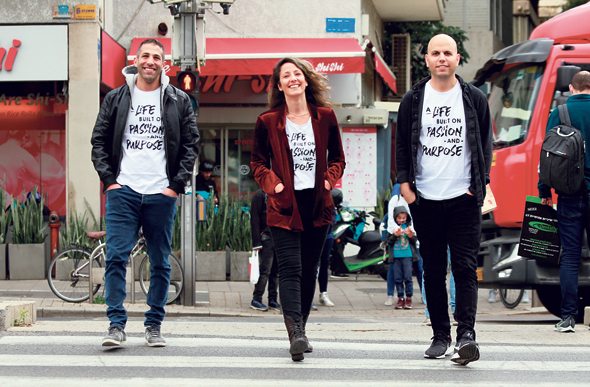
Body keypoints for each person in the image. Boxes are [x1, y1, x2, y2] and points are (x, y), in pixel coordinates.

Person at [91, 39, 200, 347]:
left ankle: (153, 325)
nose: (150, 61)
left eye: (156, 57)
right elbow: (98, 141)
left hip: (160, 194)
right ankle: (116, 325)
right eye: (145, 56)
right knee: (115, 258)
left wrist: (174, 187)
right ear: (135, 61)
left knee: (160, 262)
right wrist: (110, 181)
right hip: (123, 191)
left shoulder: (178, 100)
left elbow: (191, 143)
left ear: (163, 65)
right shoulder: (115, 97)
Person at [396, 34, 493, 365]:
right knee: (433, 270)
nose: (441, 58)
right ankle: (440, 336)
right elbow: (402, 147)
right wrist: (405, 186)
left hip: (464, 197)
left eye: (447, 53)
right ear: (426, 59)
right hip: (426, 199)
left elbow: (485, 145)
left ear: (457, 58)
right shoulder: (412, 99)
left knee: (465, 268)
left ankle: (467, 335)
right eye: (435, 53)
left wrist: (479, 186)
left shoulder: (475, 98)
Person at [251, 57, 345, 361]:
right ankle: (295, 334)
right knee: (291, 269)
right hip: (283, 205)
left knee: (309, 270)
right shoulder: (268, 121)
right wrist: (274, 185)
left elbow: (338, 159)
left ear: (305, 80)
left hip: (317, 204)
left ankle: (300, 331)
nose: (292, 78)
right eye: (286, 75)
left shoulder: (326, 117)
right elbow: (257, 162)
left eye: (297, 73)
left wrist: (330, 181)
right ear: (279, 85)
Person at [538, 70, 590, 333]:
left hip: (570, 194)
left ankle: (568, 317)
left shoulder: (561, 113)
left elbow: (547, 153)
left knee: (569, 257)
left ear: (572, 88)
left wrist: (544, 190)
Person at [249, 188, 280, 312]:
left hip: (277, 236)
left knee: (275, 271)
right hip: (266, 237)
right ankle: (257, 299)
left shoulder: (278, 193)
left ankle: (272, 299)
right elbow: (254, 219)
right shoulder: (260, 194)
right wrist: (256, 242)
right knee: (265, 270)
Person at [385, 206, 418, 309]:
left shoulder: (410, 228)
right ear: (395, 218)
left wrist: (410, 235)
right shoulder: (392, 228)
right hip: (396, 256)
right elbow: (388, 242)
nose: (402, 220)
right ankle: (400, 298)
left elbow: (415, 241)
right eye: (400, 218)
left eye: (404, 218)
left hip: (407, 256)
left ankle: (409, 297)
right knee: (398, 278)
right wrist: (395, 235)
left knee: (408, 277)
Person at [317, 208, 337, 307]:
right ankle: (308, 295)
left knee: (325, 264)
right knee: (312, 265)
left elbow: (332, 215)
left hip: (327, 234)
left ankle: (323, 293)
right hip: (313, 234)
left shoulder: (328, 199)